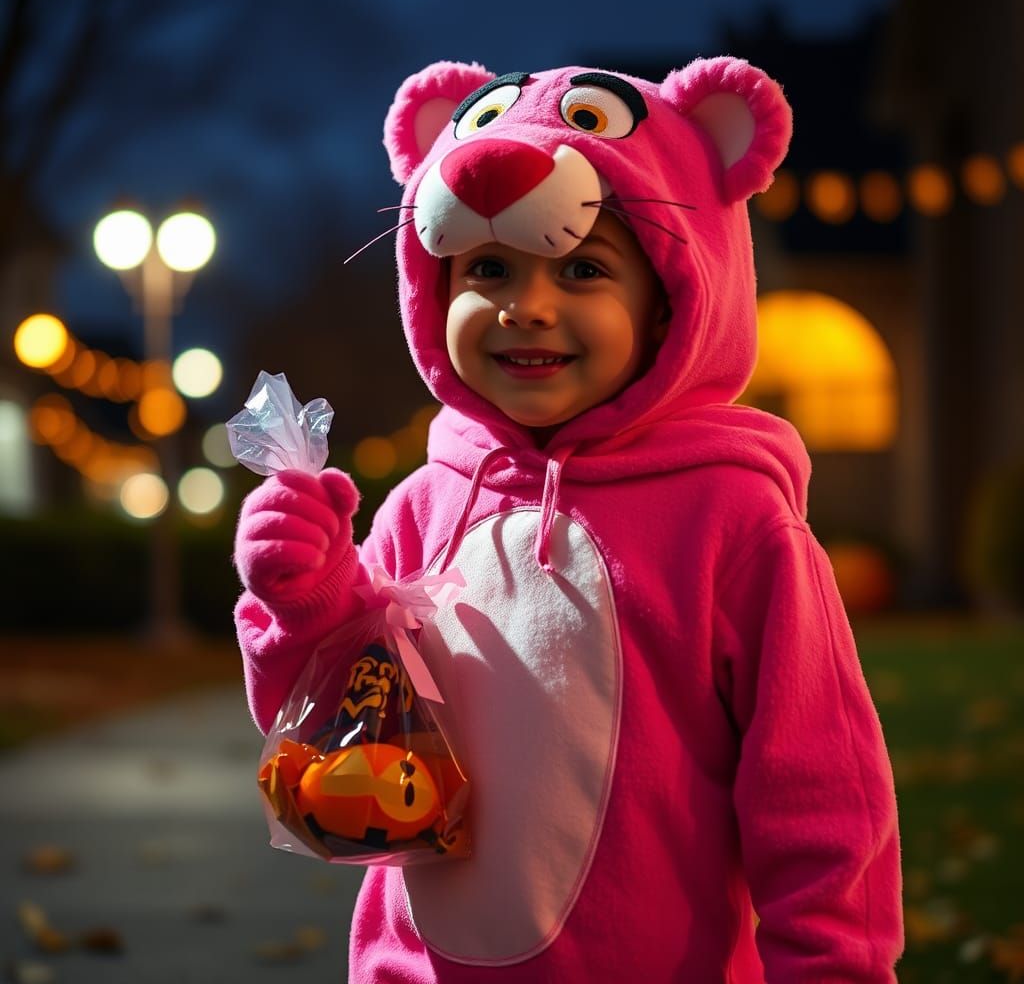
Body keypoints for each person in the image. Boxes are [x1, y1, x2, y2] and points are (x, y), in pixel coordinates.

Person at [233, 57, 904, 982]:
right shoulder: (424, 505)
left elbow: (821, 795)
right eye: (489, 268)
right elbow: (326, 746)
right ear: (434, 293)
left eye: (583, 266)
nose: (526, 307)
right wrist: (305, 600)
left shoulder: (733, 519)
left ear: (674, 296)